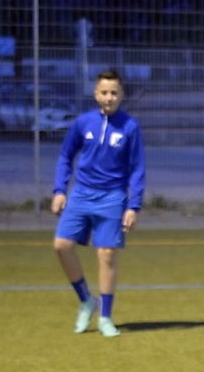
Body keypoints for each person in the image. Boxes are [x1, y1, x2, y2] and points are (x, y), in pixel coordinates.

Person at [51, 69, 145, 338]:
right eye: (104, 92)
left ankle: (105, 316)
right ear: (95, 94)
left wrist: (133, 206)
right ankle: (85, 301)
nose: (109, 97)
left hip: (113, 197)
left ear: (122, 95)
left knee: (106, 255)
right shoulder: (83, 123)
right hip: (81, 194)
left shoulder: (130, 127)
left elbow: (137, 169)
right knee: (61, 245)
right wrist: (60, 190)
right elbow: (65, 156)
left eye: (114, 93)